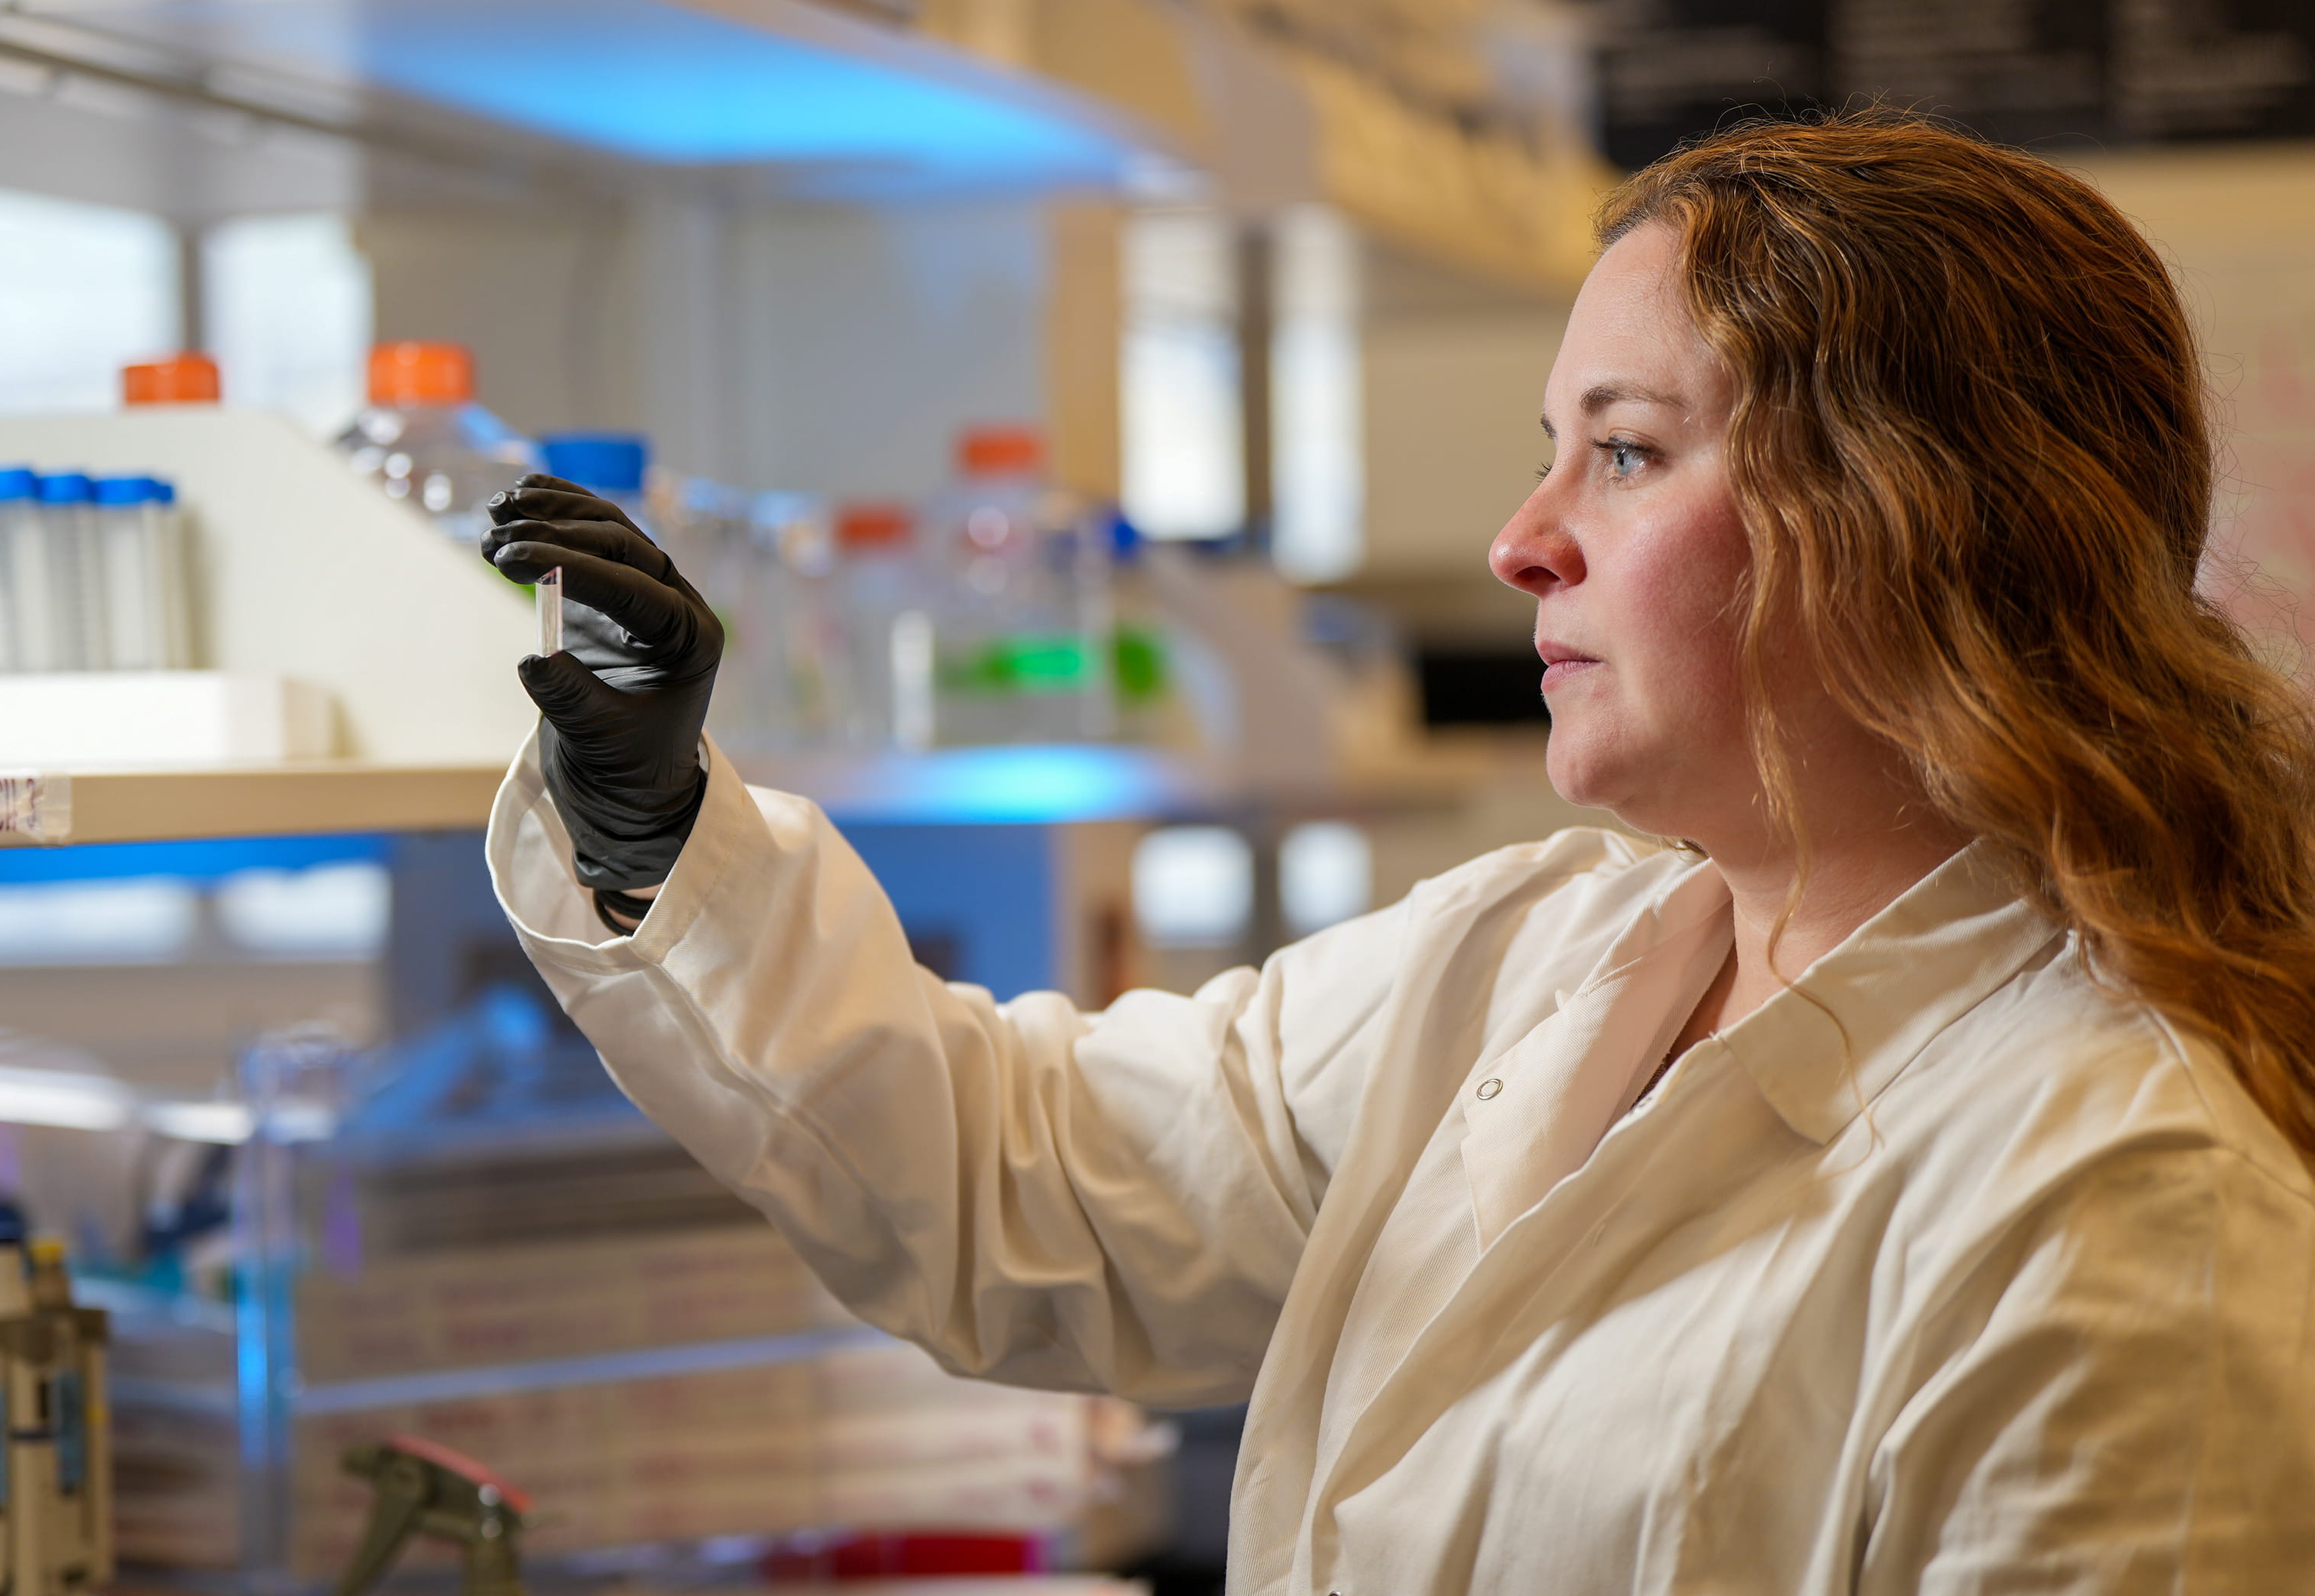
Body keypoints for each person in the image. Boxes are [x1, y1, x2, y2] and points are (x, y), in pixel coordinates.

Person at [478, 112, 2315, 1592]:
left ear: (1911, 521)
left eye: (1623, 452)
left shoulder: (2127, 1196)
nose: (1522, 540)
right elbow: (1024, 1179)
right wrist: (669, 839)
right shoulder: (1527, 959)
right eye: (1551, 450)